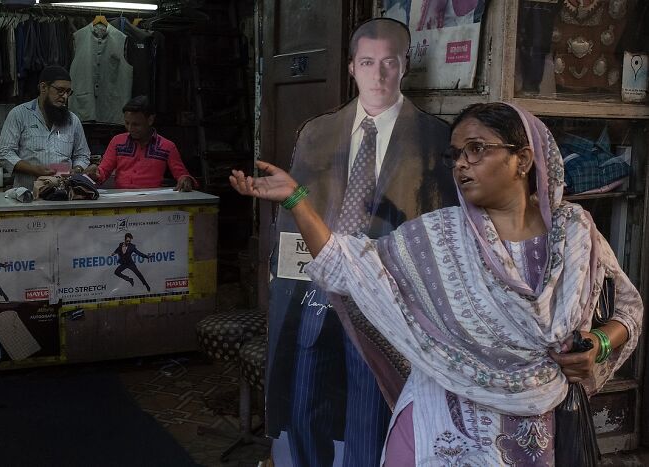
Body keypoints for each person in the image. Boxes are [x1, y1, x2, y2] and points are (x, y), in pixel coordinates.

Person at [230, 102, 643, 465]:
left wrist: (599, 344)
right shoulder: (439, 237)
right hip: (438, 424)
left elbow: (628, 309)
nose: (461, 163)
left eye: (477, 149)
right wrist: (297, 201)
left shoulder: (574, 231)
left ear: (524, 159)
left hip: (539, 429)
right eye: (456, 154)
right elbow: (348, 264)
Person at [264, 18, 458, 467]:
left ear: (404, 66)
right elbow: (296, 217)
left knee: (369, 415)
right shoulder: (318, 133)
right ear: (352, 67)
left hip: (385, 302)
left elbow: (441, 231)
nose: (379, 74)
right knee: (305, 407)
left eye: (389, 63)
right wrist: (286, 285)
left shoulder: (436, 139)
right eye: (368, 63)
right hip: (318, 295)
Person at [0, 65, 92, 191]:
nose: (64, 97)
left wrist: (77, 170)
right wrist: (33, 169)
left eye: (68, 92)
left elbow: (83, 154)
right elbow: (4, 152)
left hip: (63, 193)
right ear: (43, 87)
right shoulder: (19, 114)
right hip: (27, 193)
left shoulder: (73, 120)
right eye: (60, 90)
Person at [86, 95, 197, 191]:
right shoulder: (117, 141)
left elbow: (182, 174)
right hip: (121, 201)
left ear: (150, 120)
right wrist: (94, 174)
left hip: (152, 203)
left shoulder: (168, 146)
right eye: (127, 123)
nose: (130, 128)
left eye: (136, 124)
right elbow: (103, 171)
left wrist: (185, 179)